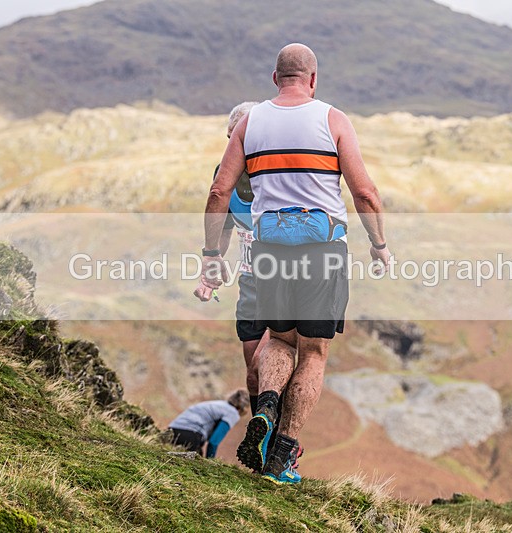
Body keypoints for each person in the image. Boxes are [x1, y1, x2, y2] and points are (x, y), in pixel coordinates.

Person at [200, 43, 391, 484]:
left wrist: (211, 256)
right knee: (314, 353)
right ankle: (281, 458)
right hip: (322, 251)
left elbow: (219, 192)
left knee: (281, 342)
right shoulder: (333, 119)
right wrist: (379, 244)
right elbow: (365, 193)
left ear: (275, 78)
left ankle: (266, 407)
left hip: (269, 252)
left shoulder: (249, 123)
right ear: (313, 79)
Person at [193, 102, 302, 468]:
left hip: (288, 279)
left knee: (269, 360)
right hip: (251, 282)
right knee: (253, 374)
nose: (234, 147)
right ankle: (261, 445)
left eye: (241, 139)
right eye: (230, 139)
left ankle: (283, 451)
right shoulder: (223, 174)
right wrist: (210, 267)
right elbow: (222, 227)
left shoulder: (283, 171)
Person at [165, 390, 249, 458]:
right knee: (197, 464)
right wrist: (210, 463)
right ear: (244, 407)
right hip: (190, 434)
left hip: (172, 431)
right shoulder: (232, 412)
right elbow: (214, 441)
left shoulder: (219, 404)